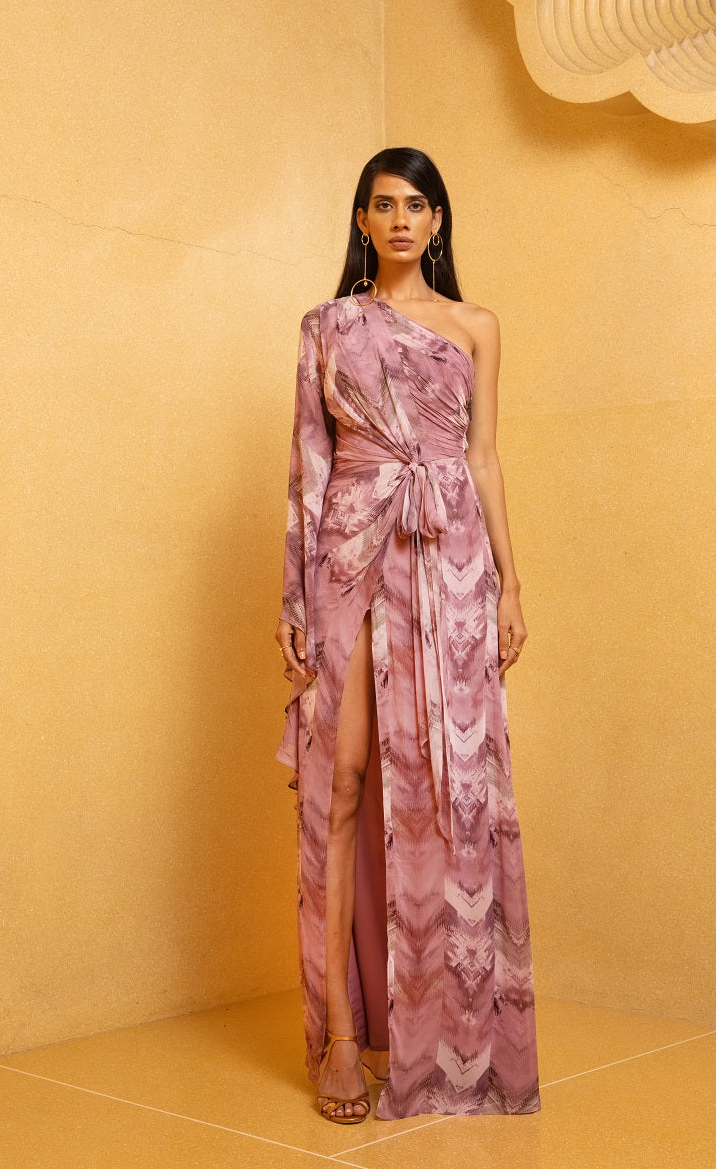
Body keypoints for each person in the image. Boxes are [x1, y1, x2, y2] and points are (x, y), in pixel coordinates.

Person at [274, 147, 540, 1124]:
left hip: (451, 562)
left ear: (437, 221)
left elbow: (484, 455)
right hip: (350, 555)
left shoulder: (476, 326)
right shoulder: (327, 326)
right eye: (382, 204)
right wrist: (293, 595)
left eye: (416, 205)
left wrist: (510, 581)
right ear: (361, 219)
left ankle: (447, 1033)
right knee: (340, 782)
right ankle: (344, 1036)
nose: (398, 219)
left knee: (448, 790)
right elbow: (307, 466)